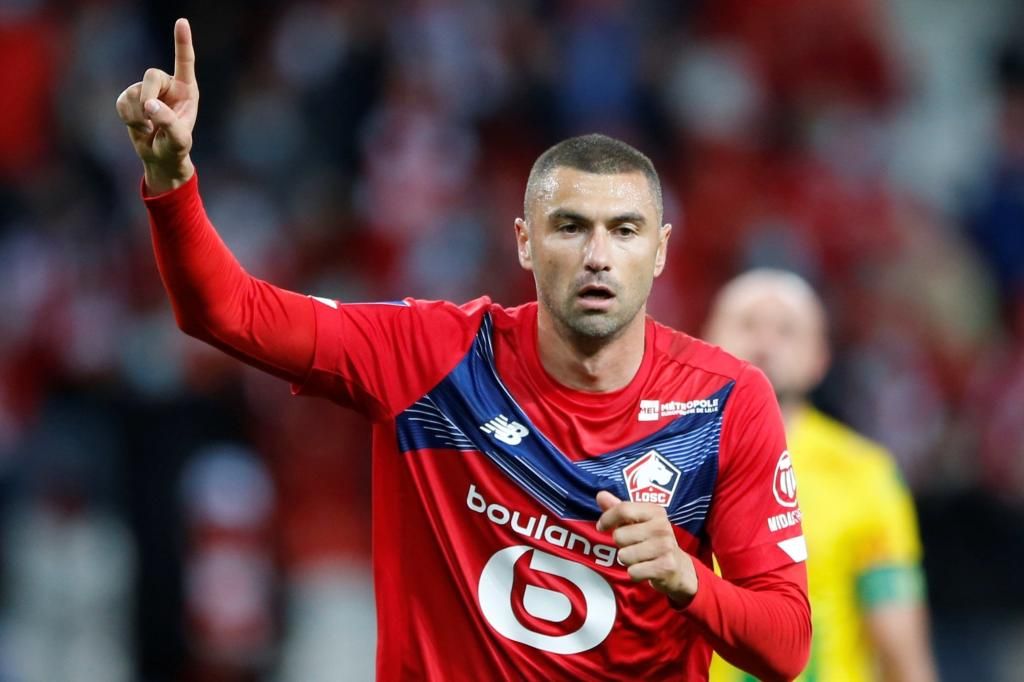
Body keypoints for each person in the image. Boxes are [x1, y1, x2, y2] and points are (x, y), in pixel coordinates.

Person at [116, 19, 811, 681]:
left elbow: (786, 647)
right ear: (524, 243)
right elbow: (227, 311)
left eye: (625, 231)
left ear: (660, 251)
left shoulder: (725, 401)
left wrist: (689, 579)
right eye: (570, 227)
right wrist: (171, 178)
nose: (598, 256)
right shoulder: (430, 357)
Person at [704, 269, 938, 682]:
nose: (764, 343)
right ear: (705, 344)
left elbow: (900, 647)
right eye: (747, 325)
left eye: (787, 331)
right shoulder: (657, 461)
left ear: (819, 359)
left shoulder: (864, 474)